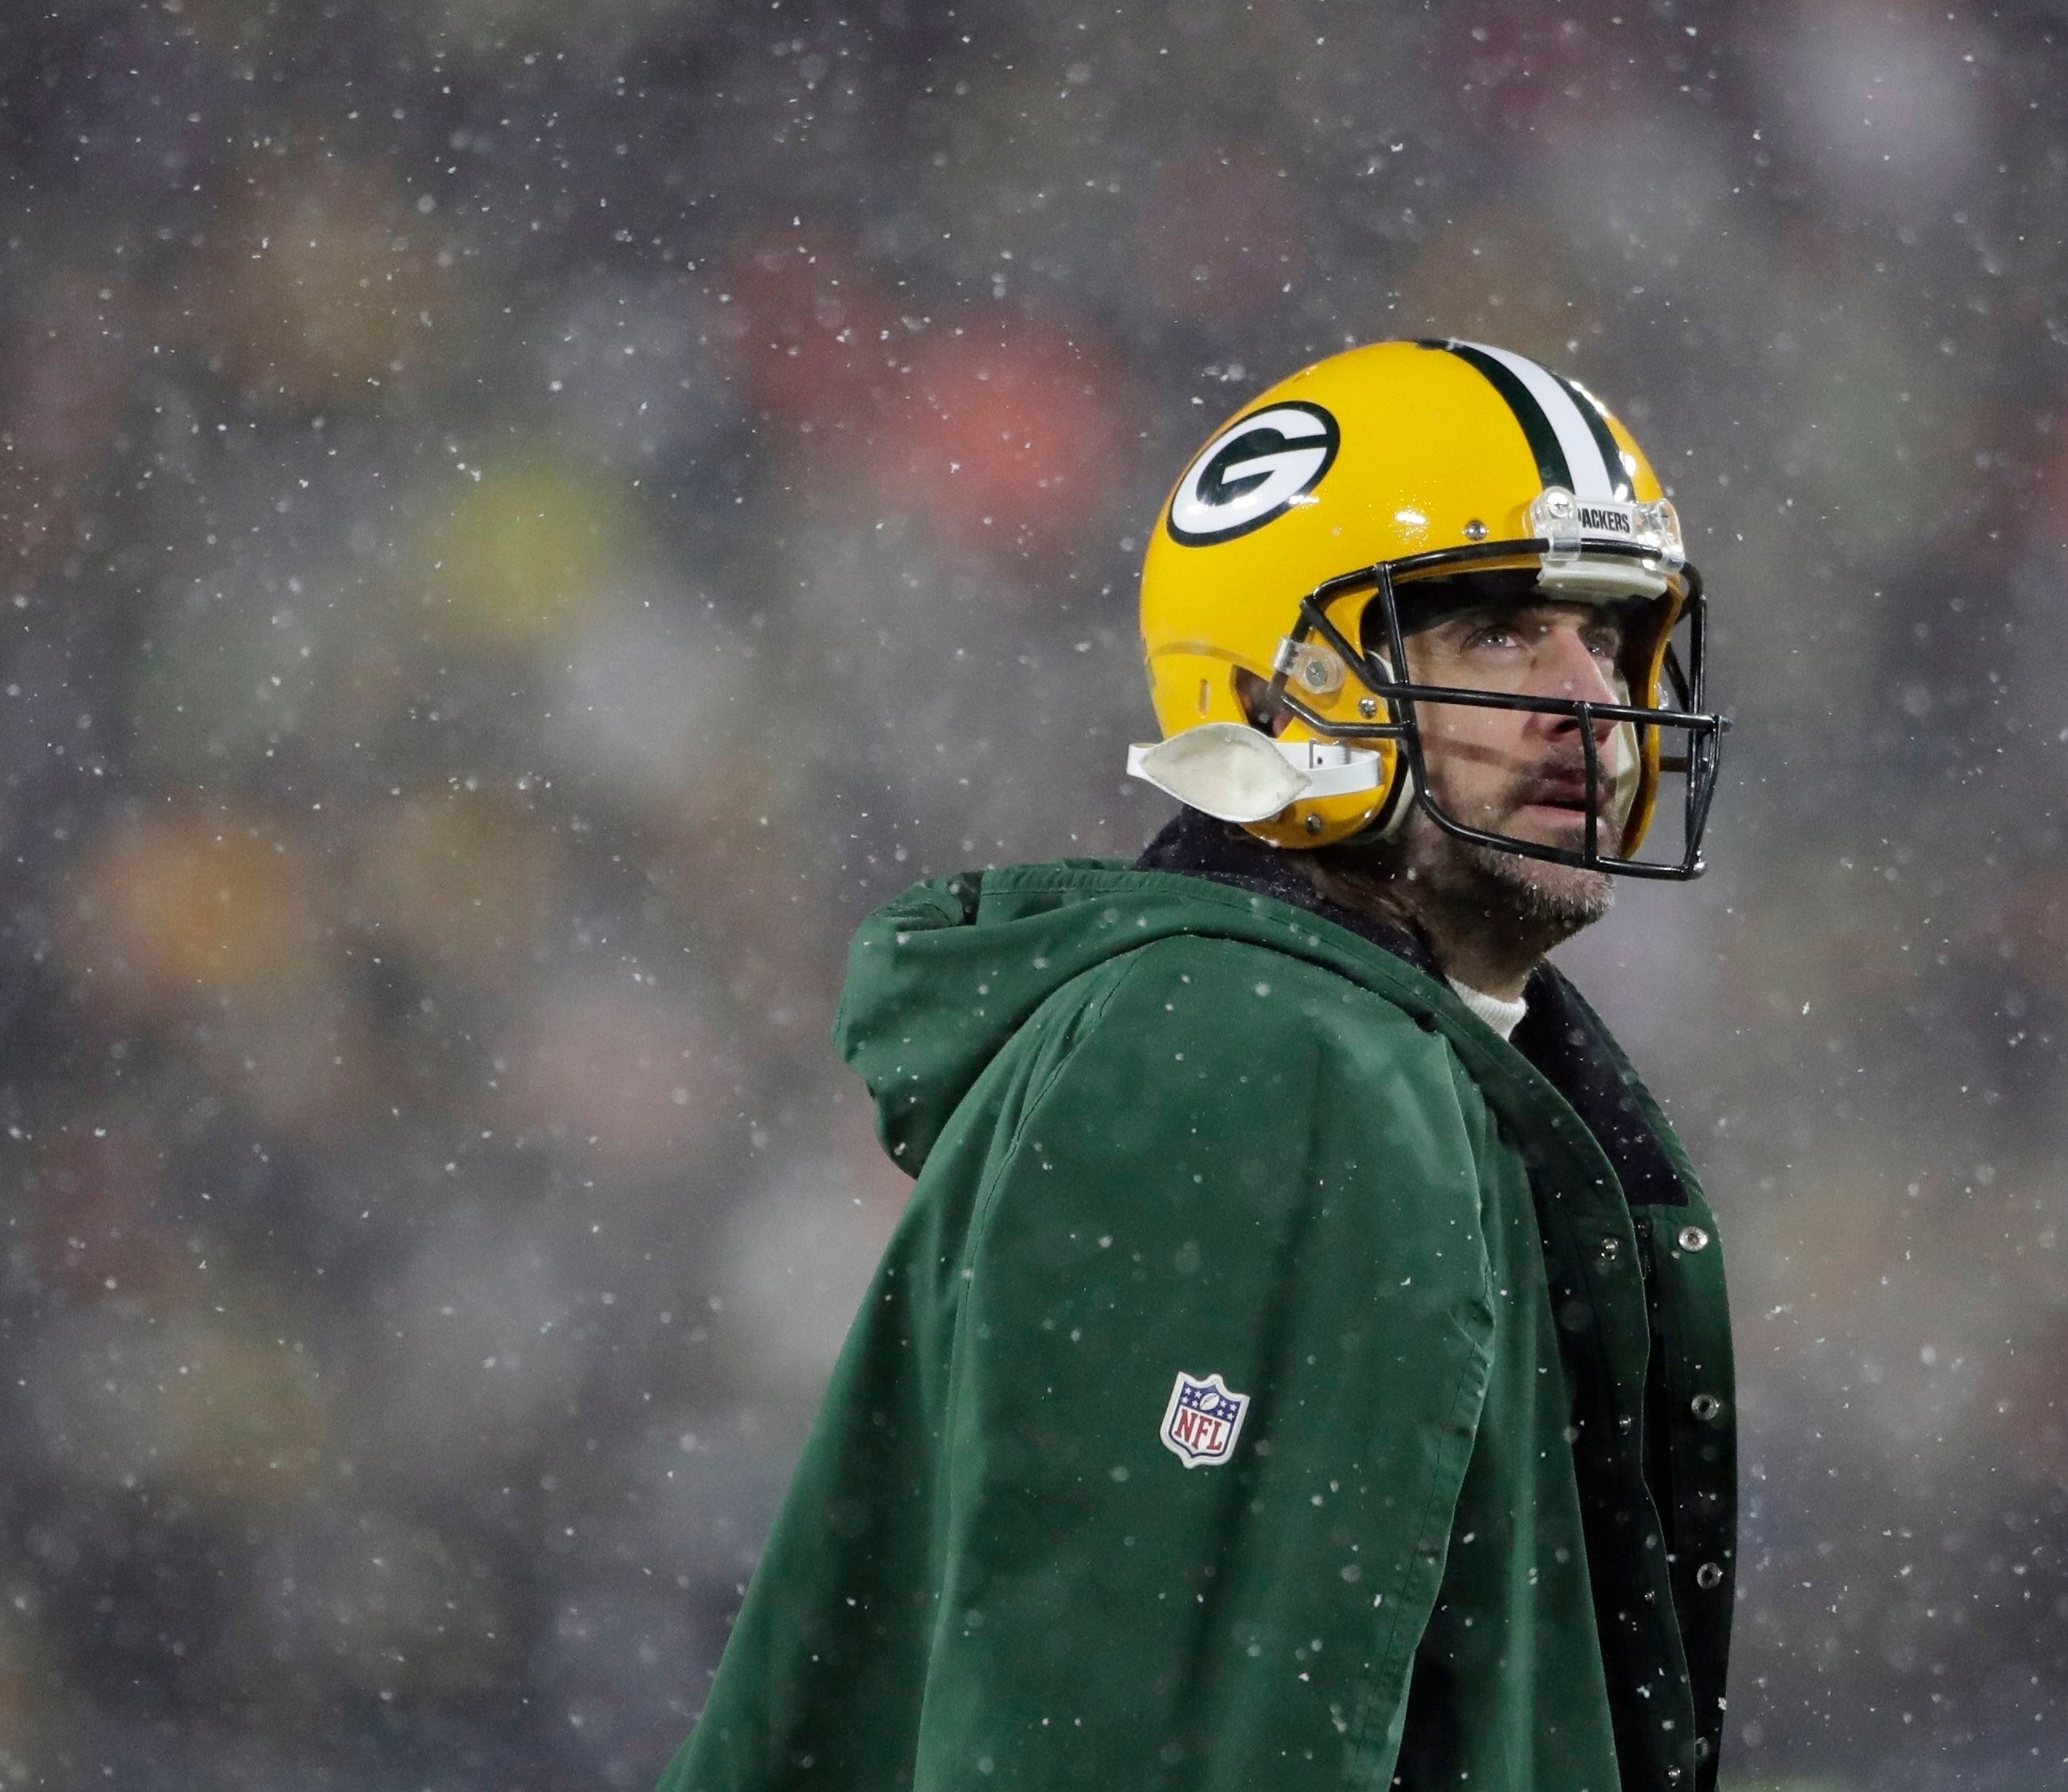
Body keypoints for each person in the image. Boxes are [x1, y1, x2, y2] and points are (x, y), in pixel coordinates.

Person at [656, 338, 1736, 1792]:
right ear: (1285, 680)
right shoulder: (1256, 1050)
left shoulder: (1363, 1047)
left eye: (1608, 637)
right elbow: (1119, 1733)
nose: (1588, 700)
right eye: (1495, 634)